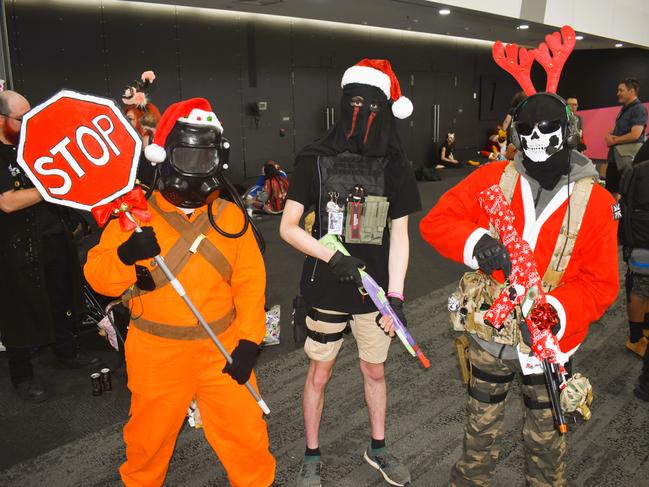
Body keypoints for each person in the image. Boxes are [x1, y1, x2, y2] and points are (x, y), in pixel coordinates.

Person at [420, 32, 619, 486]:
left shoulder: (595, 201)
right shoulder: (494, 177)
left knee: (547, 437)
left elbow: (601, 282)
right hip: (490, 334)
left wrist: (559, 312)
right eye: (525, 133)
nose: (534, 142)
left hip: (549, 345)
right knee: (479, 429)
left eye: (545, 133)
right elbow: (436, 222)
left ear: (567, 133)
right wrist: (475, 242)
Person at [84, 98, 275, 487]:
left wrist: (249, 342)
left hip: (222, 348)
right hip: (156, 352)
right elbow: (98, 278)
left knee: (246, 438)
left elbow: (251, 284)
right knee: (147, 443)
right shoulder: (132, 216)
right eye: (187, 156)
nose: (196, 169)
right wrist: (125, 256)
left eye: (205, 158)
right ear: (164, 156)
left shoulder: (231, 217)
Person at [280, 58, 421, 487]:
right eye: (354, 103)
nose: (362, 113)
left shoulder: (396, 165)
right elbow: (287, 227)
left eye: (373, 106)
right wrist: (329, 256)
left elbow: (400, 235)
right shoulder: (314, 159)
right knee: (319, 372)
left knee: (374, 370)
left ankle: (377, 446)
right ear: (342, 105)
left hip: (374, 293)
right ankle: (311, 455)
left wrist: (395, 296)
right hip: (326, 287)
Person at [0, 90, 101, 403]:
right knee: (21, 311)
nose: (29, 121)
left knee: (62, 299)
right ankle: (23, 374)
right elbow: (7, 202)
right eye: (21, 117)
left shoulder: (33, 146)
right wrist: (50, 185)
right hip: (17, 248)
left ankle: (66, 351)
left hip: (55, 237)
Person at [605, 78, 647, 199]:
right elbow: (617, 129)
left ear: (632, 91)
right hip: (615, 159)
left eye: (621, 90)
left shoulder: (639, 109)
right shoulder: (625, 109)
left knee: (623, 193)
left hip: (625, 160)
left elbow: (636, 134)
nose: (618, 93)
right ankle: (615, 217)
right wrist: (608, 135)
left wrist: (614, 140)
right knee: (612, 192)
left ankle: (619, 217)